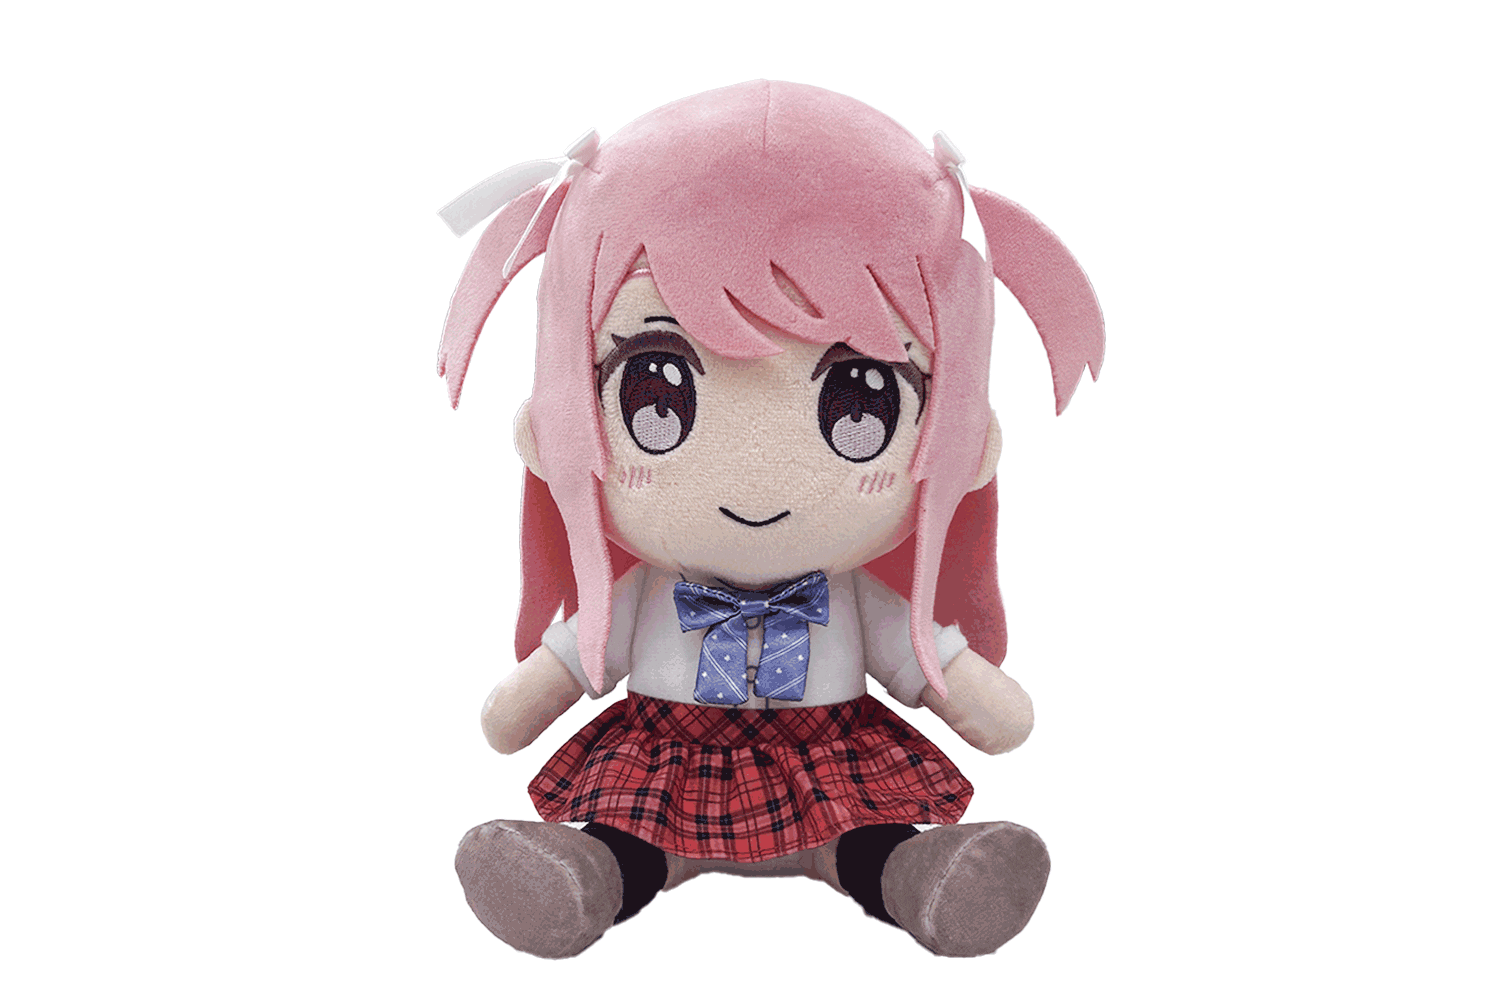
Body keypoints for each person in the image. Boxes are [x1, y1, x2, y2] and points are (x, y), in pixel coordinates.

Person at [436, 80, 1103, 958]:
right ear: (552, 423)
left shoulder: (858, 600)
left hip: (828, 768)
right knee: (627, 842)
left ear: (963, 442)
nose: (755, 476)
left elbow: (943, 674)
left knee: (870, 843)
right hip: (668, 767)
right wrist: (516, 708)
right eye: (655, 387)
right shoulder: (641, 598)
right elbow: (551, 680)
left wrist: (990, 703)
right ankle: (586, 880)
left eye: (861, 397)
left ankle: (918, 880)